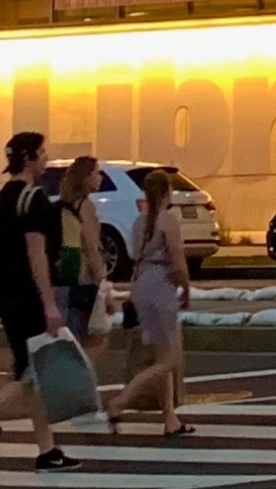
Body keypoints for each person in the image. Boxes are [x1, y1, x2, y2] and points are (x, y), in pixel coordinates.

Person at [0, 130, 75, 475]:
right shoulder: (33, 199)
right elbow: (36, 254)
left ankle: (47, 450)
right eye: (43, 153)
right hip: (28, 297)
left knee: (32, 373)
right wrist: (50, 304)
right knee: (28, 374)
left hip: (9, 296)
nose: (47, 159)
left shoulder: (1, 198)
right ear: (29, 158)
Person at [103, 168, 193, 439]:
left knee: (158, 354)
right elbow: (178, 262)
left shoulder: (139, 222)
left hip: (141, 286)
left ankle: (170, 419)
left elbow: (135, 255)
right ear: (167, 192)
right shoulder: (169, 221)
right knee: (169, 360)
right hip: (161, 288)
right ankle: (120, 402)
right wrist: (186, 288)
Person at [55, 155, 110, 341]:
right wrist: (104, 286)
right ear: (85, 177)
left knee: (70, 338)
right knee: (91, 341)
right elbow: (91, 247)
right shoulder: (86, 206)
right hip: (84, 281)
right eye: (96, 172)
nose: (100, 177)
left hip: (65, 279)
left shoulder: (66, 205)